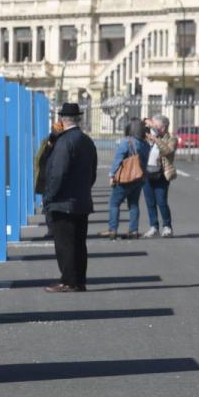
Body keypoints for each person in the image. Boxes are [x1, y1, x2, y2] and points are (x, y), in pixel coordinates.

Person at [42, 102, 97, 293]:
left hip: (63, 202)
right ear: (78, 119)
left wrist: (49, 196)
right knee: (79, 244)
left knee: (65, 244)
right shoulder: (87, 140)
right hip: (81, 200)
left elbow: (58, 173)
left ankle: (67, 281)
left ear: (61, 120)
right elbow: (92, 173)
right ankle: (79, 280)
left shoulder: (64, 142)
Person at [99, 119, 148, 239]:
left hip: (125, 178)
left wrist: (112, 175)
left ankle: (113, 229)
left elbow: (118, 159)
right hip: (139, 177)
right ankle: (133, 230)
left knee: (114, 203)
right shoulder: (145, 144)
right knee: (133, 204)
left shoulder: (126, 142)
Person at [141, 115, 177, 238]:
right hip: (147, 174)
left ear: (164, 127)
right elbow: (139, 130)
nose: (155, 128)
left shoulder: (171, 139)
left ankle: (167, 227)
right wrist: (146, 123)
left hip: (161, 175)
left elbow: (167, 151)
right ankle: (154, 227)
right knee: (150, 202)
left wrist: (156, 139)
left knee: (161, 201)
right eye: (154, 126)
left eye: (157, 126)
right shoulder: (148, 137)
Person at [33, 120, 64, 238]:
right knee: (48, 204)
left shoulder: (63, 143)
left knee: (52, 204)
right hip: (47, 178)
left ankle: (54, 229)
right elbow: (39, 159)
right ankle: (52, 229)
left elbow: (38, 159)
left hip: (53, 178)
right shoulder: (46, 142)